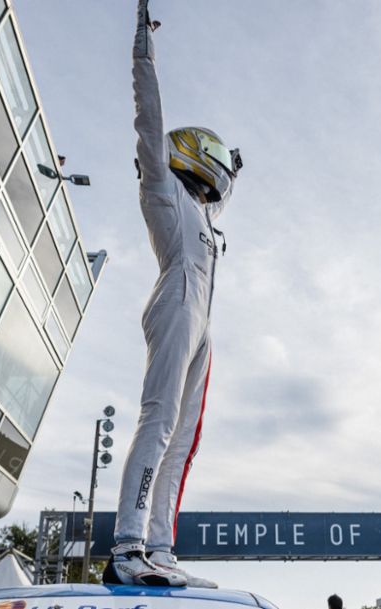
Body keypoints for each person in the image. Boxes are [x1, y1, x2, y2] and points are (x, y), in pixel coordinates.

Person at [103, 0, 243, 589]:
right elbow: (148, 117)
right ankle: (129, 546)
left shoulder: (203, 215)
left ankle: (159, 549)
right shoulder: (161, 187)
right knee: (158, 422)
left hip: (201, 317)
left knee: (185, 438)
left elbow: (217, 199)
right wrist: (144, 47)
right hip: (178, 301)